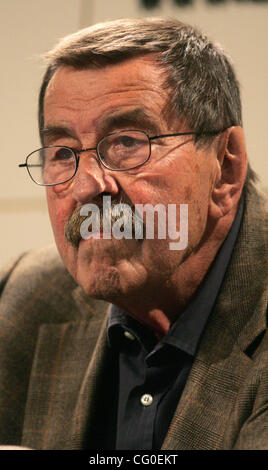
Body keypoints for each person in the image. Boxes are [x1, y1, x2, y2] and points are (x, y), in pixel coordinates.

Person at [0, 18, 267, 450]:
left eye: (126, 142)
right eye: (63, 153)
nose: (87, 185)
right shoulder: (24, 300)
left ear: (226, 166)